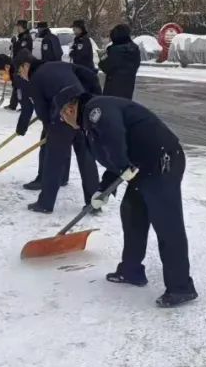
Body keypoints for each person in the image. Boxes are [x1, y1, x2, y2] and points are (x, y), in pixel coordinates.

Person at [58, 93, 198, 308]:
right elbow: (112, 155)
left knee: (167, 224)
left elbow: (115, 139)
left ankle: (181, 287)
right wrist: (102, 190)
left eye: (61, 117)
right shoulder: (90, 121)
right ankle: (131, 271)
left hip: (162, 161)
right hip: (141, 166)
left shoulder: (97, 110)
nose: (63, 122)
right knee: (132, 213)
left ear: (69, 110)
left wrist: (123, 166)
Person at [0, 51, 100, 214]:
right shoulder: (57, 64)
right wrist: (93, 97)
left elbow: (41, 111)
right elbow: (89, 75)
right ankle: (94, 203)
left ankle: (45, 203)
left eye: (20, 71)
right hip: (83, 110)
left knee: (53, 160)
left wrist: (52, 131)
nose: (21, 75)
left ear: (26, 66)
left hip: (65, 115)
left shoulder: (35, 79)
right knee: (86, 157)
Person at [99, 23, 141, 99]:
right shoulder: (135, 49)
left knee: (111, 108)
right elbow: (136, 65)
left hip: (112, 89)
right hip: (128, 88)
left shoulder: (115, 50)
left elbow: (105, 66)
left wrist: (104, 56)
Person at [7, 20, 33, 110]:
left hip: (23, 65)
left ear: (22, 27)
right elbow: (18, 49)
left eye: (18, 26)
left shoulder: (26, 38)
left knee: (22, 85)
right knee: (16, 84)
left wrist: (15, 45)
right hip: (17, 63)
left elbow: (23, 51)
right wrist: (14, 45)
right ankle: (13, 104)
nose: (17, 28)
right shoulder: (21, 37)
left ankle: (25, 105)